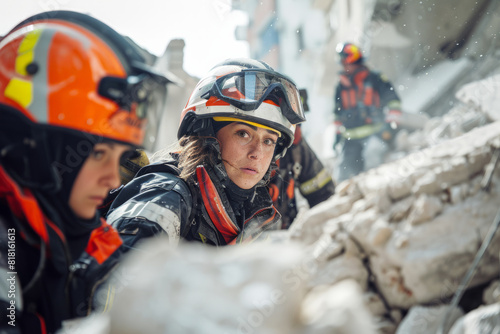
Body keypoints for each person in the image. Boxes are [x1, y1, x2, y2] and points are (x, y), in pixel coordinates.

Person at [0, 11, 168, 333]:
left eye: (120, 157)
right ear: (37, 147)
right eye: (99, 154)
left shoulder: (74, 238)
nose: (114, 179)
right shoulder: (10, 243)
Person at [105, 58, 306, 248]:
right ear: (206, 133)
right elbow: (114, 276)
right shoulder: (167, 194)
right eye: (243, 134)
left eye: (269, 141)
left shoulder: (247, 211)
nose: (258, 153)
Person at [333, 42, 402, 182]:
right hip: (351, 140)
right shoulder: (341, 86)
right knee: (343, 174)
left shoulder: (375, 78)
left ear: (355, 61)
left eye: (346, 63)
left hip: (376, 135)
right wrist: (337, 137)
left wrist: (390, 128)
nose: (344, 67)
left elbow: (394, 102)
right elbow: (337, 115)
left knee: (372, 162)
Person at [268, 89, 335, 229]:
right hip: (239, 245)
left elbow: (323, 196)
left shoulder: (297, 150)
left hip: (282, 238)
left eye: (297, 124)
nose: (294, 132)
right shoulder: (245, 151)